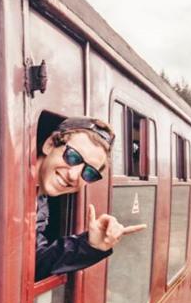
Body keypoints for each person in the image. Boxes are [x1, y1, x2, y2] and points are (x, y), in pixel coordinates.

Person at [35, 117, 145, 281]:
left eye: (89, 172)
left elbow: (34, 263)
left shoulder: (40, 200)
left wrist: (89, 245)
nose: (73, 176)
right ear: (50, 144)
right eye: (73, 157)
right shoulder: (3, 183)